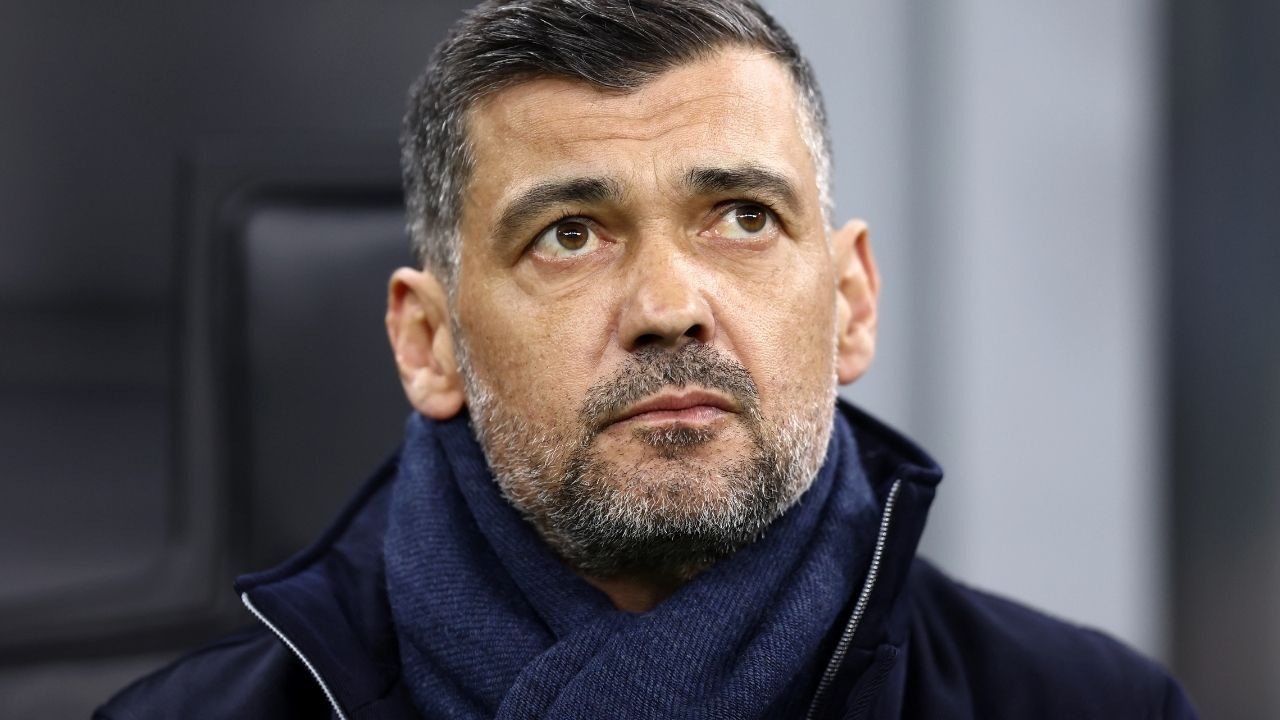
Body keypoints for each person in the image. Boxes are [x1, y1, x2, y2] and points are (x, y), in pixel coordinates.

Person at [97, 1, 1197, 718]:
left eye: (743, 217)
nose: (669, 309)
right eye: (569, 234)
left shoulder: (1092, 706)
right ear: (428, 344)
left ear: (850, 303)